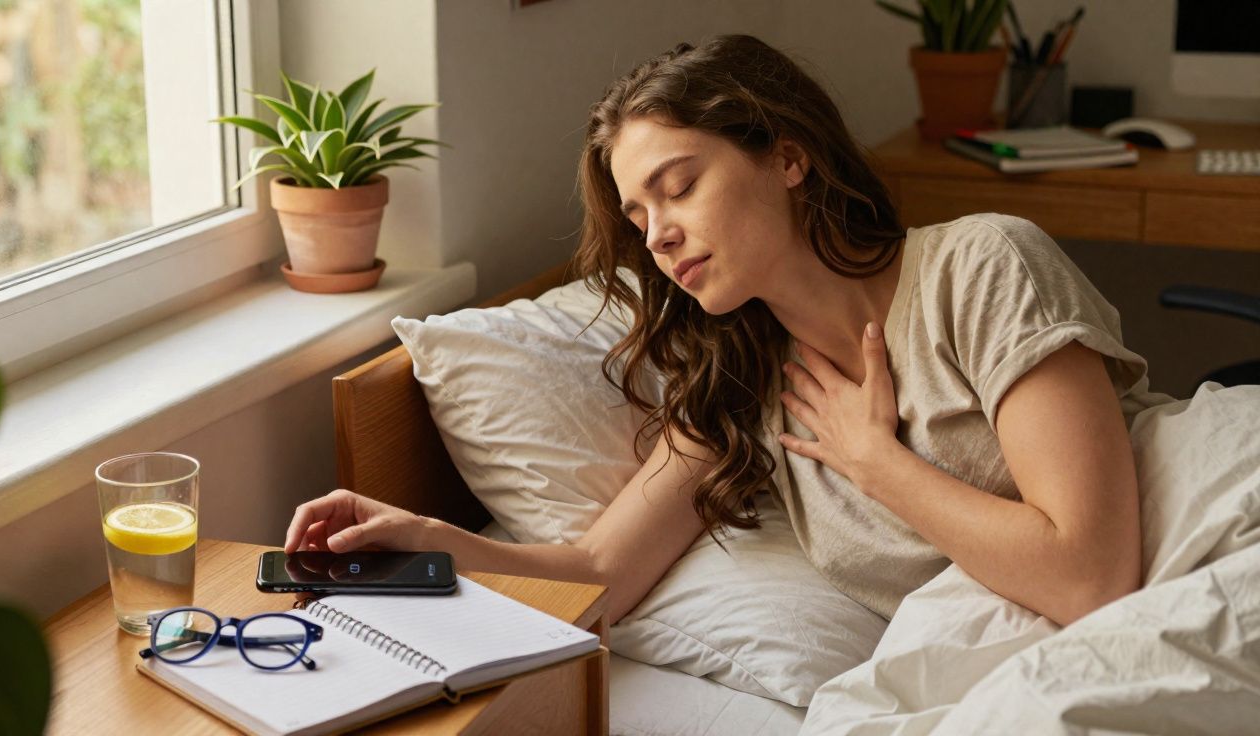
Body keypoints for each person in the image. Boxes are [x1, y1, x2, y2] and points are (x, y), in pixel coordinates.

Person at [285, 34, 1173, 627]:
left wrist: (879, 467)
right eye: (637, 215)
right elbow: (598, 571)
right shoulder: (745, 384)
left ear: (789, 156)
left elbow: (1091, 575)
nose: (657, 233)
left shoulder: (982, 269)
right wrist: (439, 544)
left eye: (679, 186)